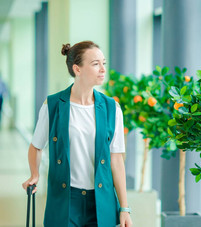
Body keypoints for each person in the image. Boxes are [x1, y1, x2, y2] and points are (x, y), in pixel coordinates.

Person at [22, 41, 133, 227]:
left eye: (103, 63)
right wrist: (34, 174)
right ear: (77, 69)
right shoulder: (53, 105)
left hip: (101, 200)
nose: (103, 69)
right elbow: (36, 146)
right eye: (95, 64)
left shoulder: (112, 108)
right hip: (65, 198)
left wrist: (124, 208)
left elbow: (116, 160)